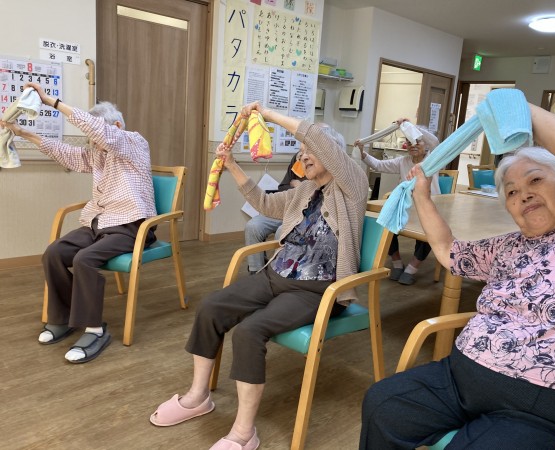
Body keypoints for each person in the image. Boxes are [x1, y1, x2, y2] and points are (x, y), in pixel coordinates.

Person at [360, 104, 555, 449]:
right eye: (512, 192)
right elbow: (447, 251)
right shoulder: (506, 246)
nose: (523, 194)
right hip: (461, 377)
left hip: (544, 404)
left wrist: (515, 106)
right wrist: (422, 195)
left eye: (535, 180)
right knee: (385, 404)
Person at [150, 102, 369, 450]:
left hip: (317, 290)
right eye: (301, 151)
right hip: (275, 276)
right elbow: (266, 204)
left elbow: (315, 135)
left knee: (250, 331)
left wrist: (266, 114)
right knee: (212, 306)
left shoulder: (352, 188)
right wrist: (232, 165)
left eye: (309, 150)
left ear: (333, 154)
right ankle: (198, 396)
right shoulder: (305, 190)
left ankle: (243, 432)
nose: (304, 156)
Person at [0, 83, 156, 364]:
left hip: (130, 225)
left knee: (84, 260)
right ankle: (65, 318)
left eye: (96, 136)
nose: (93, 142)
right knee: (53, 253)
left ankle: (95, 329)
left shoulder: (134, 143)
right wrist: (24, 134)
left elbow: (98, 131)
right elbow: (66, 153)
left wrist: (51, 101)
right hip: (99, 223)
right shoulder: (98, 152)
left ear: (116, 126)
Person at [354, 122, 440, 285]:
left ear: (426, 145)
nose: (413, 145)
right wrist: (362, 152)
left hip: (428, 207)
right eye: (409, 141)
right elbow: (378, 165)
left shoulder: (433, 159)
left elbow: (435, 142)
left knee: (429, 233)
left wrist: (411, 127)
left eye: (417, 141)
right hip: (405, 207)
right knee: (385, 222)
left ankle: (412, 268)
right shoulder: (403, 161)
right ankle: (397, 263)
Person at [245, 150, 305, 273]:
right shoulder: (297, 159)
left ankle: (278, 273)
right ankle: (256, 272)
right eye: (302, 150)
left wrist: (300, 186)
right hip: (285, 209)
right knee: (253, 226)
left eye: (306, 150)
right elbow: (282, 187)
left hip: (304, 214)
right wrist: (298, 187)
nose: (302, 154)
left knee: (281, 232)